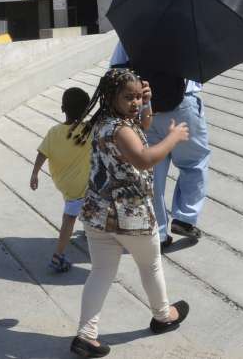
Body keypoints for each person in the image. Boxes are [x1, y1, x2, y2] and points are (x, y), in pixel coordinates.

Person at [71, 68, 191, 358]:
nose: (135, 103)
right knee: (150, 266)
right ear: (111, 96)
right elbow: (144, 158)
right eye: (129, 97)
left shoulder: (105, 121)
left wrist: (147, 104)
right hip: (130, 214)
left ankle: (85, 336)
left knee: (100, 272)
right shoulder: (121, 129)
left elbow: (143, 125)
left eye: (139, 96)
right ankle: (163, 316)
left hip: (98, 213)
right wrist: (173, 137)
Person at [110, 43, 209, 249]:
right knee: (194, 163)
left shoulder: (132, 30)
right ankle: (185, 217)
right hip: (183, 104)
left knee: (152, 172)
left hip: (146, 109)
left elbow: (116, 71)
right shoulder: (190, 29)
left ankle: (159, 232)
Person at [29, 86, 93, 274]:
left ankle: (88, 231)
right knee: (70, 219)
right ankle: (58, 256)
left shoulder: (54, 132)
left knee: (80, 210)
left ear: (62, 108)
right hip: (83, 185)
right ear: (87, 110)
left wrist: (35, 174)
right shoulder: (89, 130)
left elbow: (42, 153)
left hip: (64, 184)